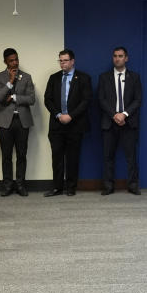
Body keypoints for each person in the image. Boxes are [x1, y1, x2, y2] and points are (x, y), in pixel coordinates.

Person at [43, 49, 91, 197]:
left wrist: (71, 116)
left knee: (72, 158)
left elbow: (86, 101)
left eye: (65, 60)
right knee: (56, 157)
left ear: (72, 61)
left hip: (75, 124)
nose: (62, 63)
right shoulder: (54, 78)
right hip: (57, 125)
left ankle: (71, 187)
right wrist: (58, 115)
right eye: (60, 60)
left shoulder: (83, 78)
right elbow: (48, 99)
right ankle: (57, 187)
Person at [97, 46, 143, 195]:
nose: (117, 58)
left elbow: (138, 99)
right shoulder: (104, 77)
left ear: (126, 58)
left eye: (121, 56)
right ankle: (109, 186)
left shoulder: (135, 77)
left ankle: (133, 185)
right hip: (109, 122)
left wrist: (124, 114)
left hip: (128, 123)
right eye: (115, 56)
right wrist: (115, 115)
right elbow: (101, 99)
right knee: (108, 157)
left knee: (131, 157)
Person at [0, 48, 35, 197]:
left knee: (22, 154)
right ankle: (7, 185)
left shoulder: (27, 77)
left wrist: (15, 97)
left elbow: (31, 99)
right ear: (5, 61)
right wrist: (10, 82)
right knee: (6, 155)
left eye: (16, 59)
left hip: (22, 121)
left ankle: (20, 184)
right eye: (11, 60)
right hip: (5, 121)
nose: (15, 62)